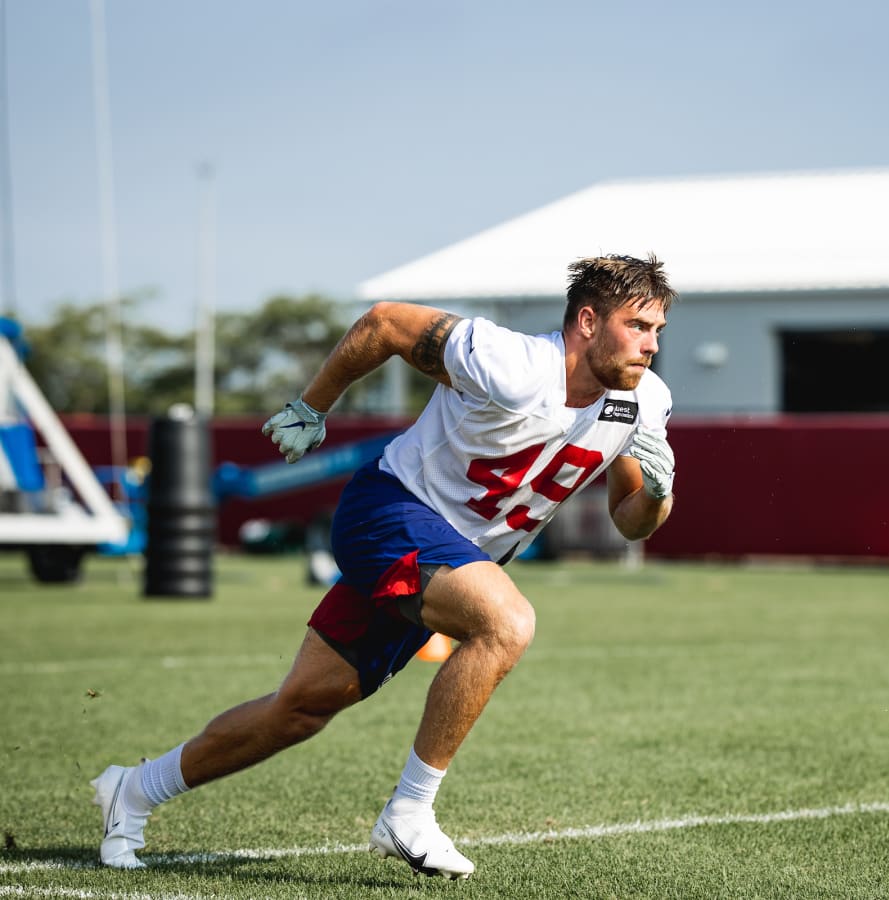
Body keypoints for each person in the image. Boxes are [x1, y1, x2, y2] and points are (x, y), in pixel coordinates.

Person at [91, 254, 678, 879]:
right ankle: (410, 811)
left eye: (659, 332)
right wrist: (312, 406)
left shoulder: (643, 402)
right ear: (587, 321)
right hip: (392, 511)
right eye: (637, 325)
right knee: (507, 622)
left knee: (302, 708)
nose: (650, 345)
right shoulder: (512, 363)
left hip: (452, 557)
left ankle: (132, 790)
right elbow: (387, 323)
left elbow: (628, 518)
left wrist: (659, 494)